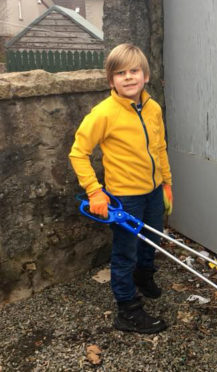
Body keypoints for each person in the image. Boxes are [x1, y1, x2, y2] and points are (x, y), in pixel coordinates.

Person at [69, 43, 173, 334]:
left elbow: (160, 147)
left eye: (134, 71)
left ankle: (144, 276)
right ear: (111, 80)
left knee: (152, 238)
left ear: (146, 75)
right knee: (125, 250)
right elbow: (78, 152)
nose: (128, 77)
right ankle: (127, 309)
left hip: (153, 191)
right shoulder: (103, 113)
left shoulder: (153, 108)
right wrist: (94, 191)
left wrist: (167, 184)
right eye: (120, 73)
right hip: (125, 197)